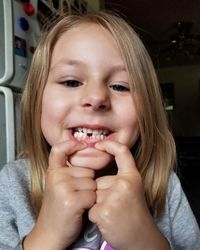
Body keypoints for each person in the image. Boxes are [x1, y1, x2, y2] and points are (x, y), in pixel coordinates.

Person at [0, 11, 199, 250]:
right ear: (37, 102)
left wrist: (145, 241)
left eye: (120, 86)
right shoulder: (12, 184)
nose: (96, 98)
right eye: (71, 82)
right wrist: (46, 236)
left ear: (146, 111)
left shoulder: (165, 187)